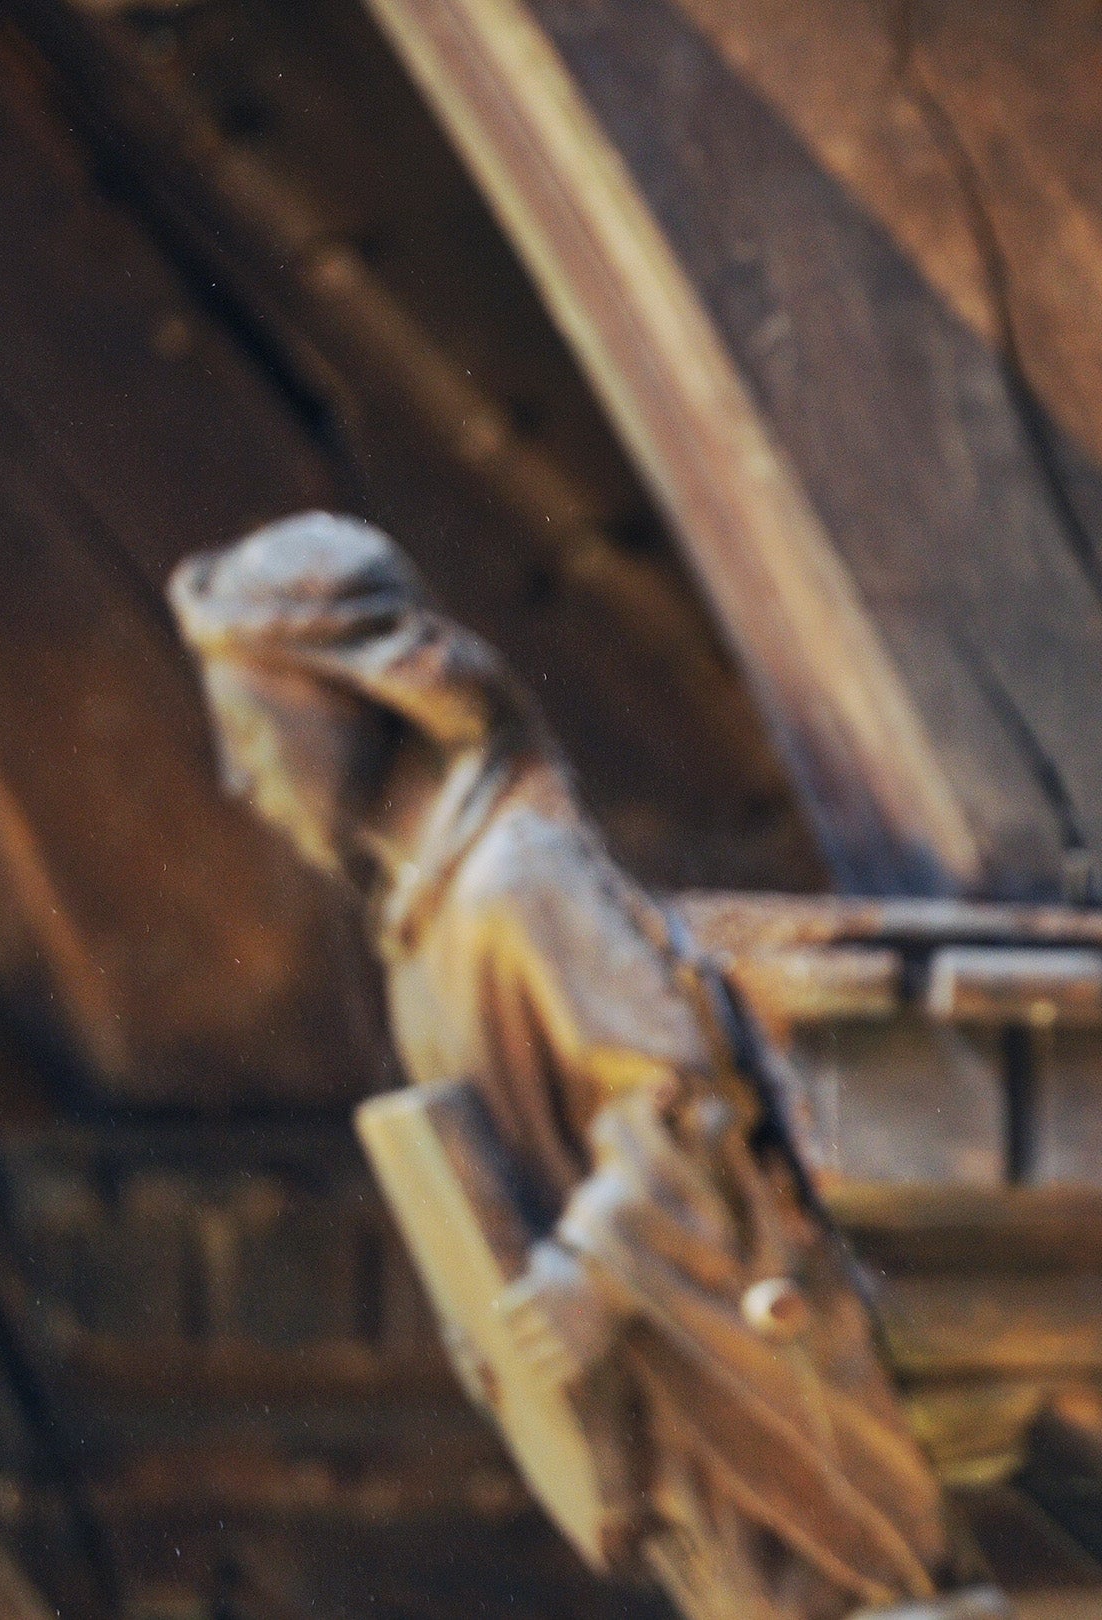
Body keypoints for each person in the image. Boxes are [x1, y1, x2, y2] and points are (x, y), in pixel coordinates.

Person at [172, 514, 981, 1620]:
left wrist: (588, 1271)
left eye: (254, 733)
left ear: (343, 702)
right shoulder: (425, 924)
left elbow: (681, 1091)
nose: (238, 778)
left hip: (731, 1351)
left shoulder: (516, 876)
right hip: (663, 1397)